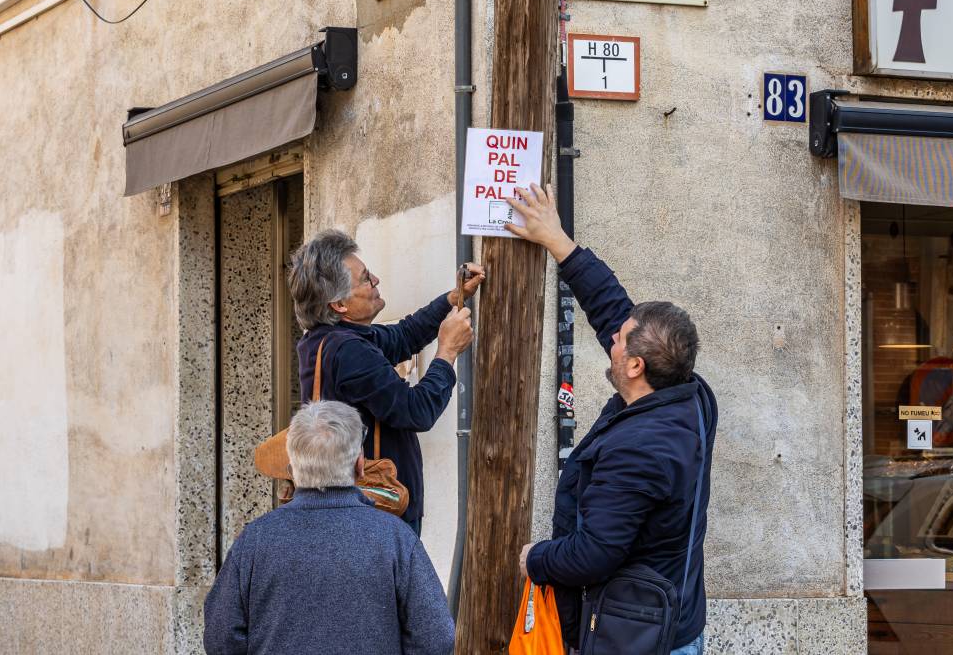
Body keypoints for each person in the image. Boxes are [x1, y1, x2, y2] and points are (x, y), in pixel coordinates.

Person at [509, 184, 717, 655]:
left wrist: (536, 558)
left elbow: (593, 554)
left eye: (619, 341)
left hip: (638, 638)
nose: (611, 341)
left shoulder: (638, 449)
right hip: (675, 622)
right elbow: (611, 308)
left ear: (637, 365)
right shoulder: (690, 393)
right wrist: (558, 241)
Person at [203, 401, 455, 655]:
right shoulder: (397, 538)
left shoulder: (255, 540)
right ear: (360, 464)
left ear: (293, 466)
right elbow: (436, 637)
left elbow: (220, 638)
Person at [288, 230, 482, 535]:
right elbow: (416, 411)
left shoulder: (327, 340)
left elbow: (405, 335)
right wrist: (447, 352)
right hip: (375, 516)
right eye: (365, 278)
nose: (376, 280)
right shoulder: (348, 351)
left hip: (362, 513)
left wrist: (454, 298)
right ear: (339, 304)